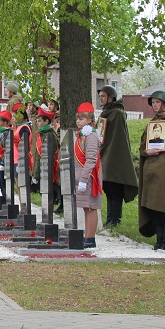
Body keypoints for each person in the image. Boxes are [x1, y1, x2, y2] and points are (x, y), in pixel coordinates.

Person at [97, 85, 138, 228]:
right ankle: (110, 218)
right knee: (108, 188)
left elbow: (118, 138)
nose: (100, 99)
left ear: (111, 97)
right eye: (100, 96)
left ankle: (116, 219)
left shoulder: (117, 113)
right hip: (105, 154)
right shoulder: (105, 113)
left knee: (115, 188)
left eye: (103, 96)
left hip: (116, 155)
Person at [139, 90, 165, 251]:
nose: (155, 105)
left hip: (164, 172)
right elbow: (143, 146)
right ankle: (159, 241)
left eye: (158, 102)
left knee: (163, 208)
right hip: (151, 171)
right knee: (153, 208)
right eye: (153, 103)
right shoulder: (152, 123)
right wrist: (147, 152)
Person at [74, 102, 103, 248]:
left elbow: (91, 159)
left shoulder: (91, 136)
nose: (78, 121)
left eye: (82, 118)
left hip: (90, 177)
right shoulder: (82, 135)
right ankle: (87, 235)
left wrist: (84, 178)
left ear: (90, 120)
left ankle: (90, 238)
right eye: (78, 118)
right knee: (86, 207)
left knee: (91, 207)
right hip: (83, 177)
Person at [33, 106, 61, 212]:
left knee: (50, 191)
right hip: (42, 168)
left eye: (39, 121)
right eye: (36, 121)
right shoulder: (43, 134)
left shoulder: (49, 135)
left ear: (46, 121)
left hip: (49, 168)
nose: (37, 123)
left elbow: (50, 155)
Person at [0, 110, 13, 204]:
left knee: (4, 183)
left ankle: (6, 200)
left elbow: (7, 148)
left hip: (4, 161)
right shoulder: (0, 132)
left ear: (5, 123)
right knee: (0, 183)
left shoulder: (6, 133)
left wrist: (3, 162)